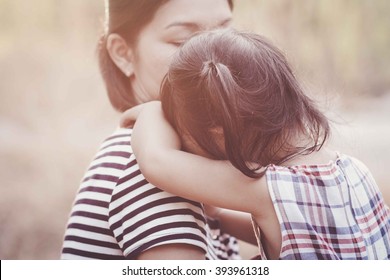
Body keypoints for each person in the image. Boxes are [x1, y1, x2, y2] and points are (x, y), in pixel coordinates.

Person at [126, 29, 390, 260]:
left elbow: (156, 161)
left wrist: (151, 111)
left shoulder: (266, 188)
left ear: (218, 127)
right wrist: (218, 216)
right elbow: (307, 235)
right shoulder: (355, 171)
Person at [61, 0, 256, 260]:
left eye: (225, 33)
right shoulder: (147, 167)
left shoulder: (183, 162)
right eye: (183, 40)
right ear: (123, 53)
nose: (218, 57)